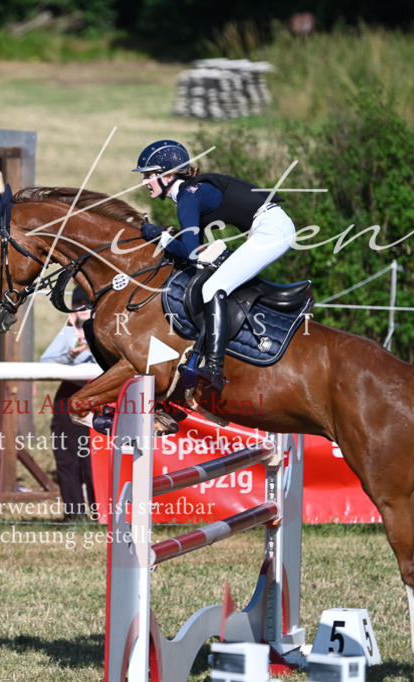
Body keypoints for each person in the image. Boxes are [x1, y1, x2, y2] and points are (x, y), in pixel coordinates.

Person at [133, 139, 296, 391]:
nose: (144, 182)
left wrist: (160, 236)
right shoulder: (190, 192)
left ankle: (214, 368)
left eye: (149, 175)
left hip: (272, 231)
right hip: (270, 227)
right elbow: (194, 250)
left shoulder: (188, 196)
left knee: (213, 288)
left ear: (168, 175)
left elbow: (190, 253)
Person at [40, 286, 97, 522]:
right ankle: (74, 516)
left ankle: (99, 512)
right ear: (71, 311)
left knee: (94, 461)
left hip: (98, 400)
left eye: (89, 303)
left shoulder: (107, 332)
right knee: (67, 459)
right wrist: (69, 357)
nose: (84, 308)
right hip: (69, 399)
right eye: (79, 303)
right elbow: (45, 363)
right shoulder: (66, 335)